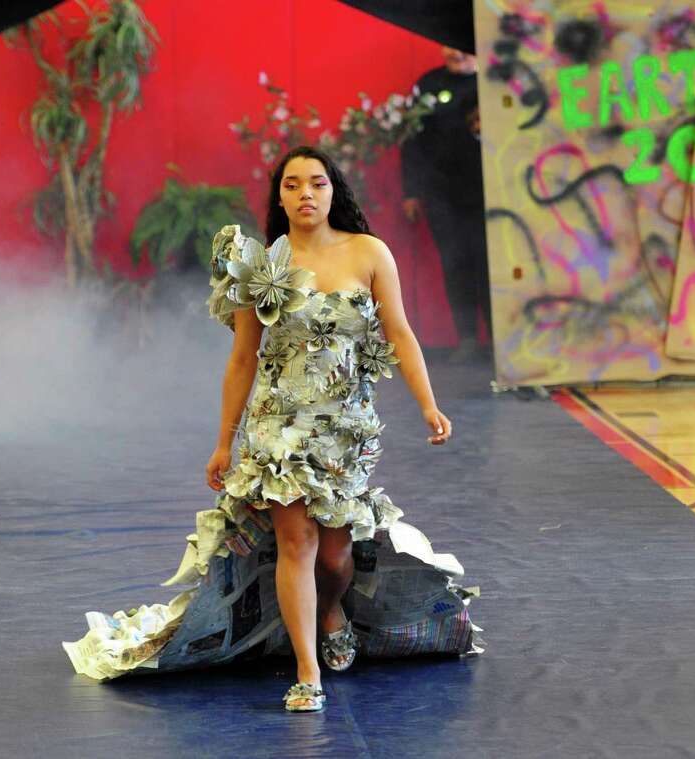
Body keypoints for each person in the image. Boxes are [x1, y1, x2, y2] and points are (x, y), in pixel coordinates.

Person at [63, 146, 479, 713]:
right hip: (277, 428)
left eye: (317, 183)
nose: (306, 193)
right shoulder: (258, 269)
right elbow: (241, 362)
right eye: (292, 184)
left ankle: (331, 610)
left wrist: (429, 404)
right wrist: (223, 441)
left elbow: (401, 334)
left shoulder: (370, 253)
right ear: (278, 195)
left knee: (335, 555)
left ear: (334, 191)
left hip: (345, 430)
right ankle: (308, 669)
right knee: (296, 543)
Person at [401, 46, 491, 363]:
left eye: (462, 47)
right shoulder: (428, 85)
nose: (456, 52)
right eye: (449, 46)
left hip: (490, 194)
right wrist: (411, 192)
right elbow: (412, 141)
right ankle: (467, 339)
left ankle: (498, 340)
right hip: (442, 195)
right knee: (456, 264)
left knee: (490, 265)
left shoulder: (494, 81)